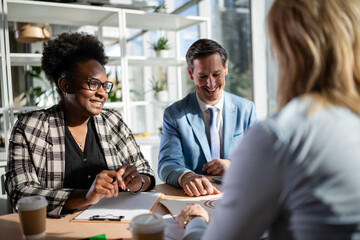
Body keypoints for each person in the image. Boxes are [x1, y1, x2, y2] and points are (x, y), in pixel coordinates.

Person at [175, 0, 360, 239]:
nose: (211, 83)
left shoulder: (280, 135)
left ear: (289, 50)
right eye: (203, 76)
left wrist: (195, 220)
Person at [5, 32, 155, 217]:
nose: (103, 93)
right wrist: (86, 196)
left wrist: (138, 181)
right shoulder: (31, 127)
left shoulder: (112, 121)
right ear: (66, 85)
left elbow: (145, 171)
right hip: (58, 229)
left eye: (105, 85)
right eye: (93, 84)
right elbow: (20, 193)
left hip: (114, 220)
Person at [158, 39, 258, 197]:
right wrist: (186, 176)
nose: (211, 84)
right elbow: (167, 164)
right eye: (202, 76)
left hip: (241, 194)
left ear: (225, 69)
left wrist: (233, 165)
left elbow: (259, 158)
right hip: (196, 198)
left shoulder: (246, 109)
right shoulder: (174, 114)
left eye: (216, 74)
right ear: (191, 74)